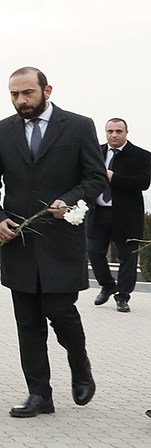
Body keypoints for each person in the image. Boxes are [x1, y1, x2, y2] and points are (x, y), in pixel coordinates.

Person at [0, 67, 107, 418]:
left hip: (61, 240)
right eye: (14, 94)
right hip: (18, 241)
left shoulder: (78, 126)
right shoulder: (1, 130)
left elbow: (96, 177)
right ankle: (39, 394)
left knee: (60, 312)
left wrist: (70, 199)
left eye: (27, 93)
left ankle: (80, 366)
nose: (21, 100)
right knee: (28, 321)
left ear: (46, 90)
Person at [87, 118, 150, 313]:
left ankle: (123, 297)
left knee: (128, 257)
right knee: (94, 251)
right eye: (110, 131)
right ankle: (107, 285)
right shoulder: (95, 152)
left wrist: (114, 177)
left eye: (118, 131)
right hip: (99, 212)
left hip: (127, 215)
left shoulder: (141, 155)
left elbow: (143, 182)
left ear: (126, 133)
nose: (114, 135)